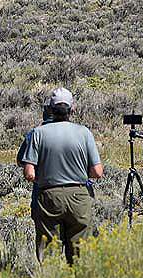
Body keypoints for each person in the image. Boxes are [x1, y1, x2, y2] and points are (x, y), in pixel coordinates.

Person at [20, 87, 103, 264]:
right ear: (72, 110)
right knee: (80, 250)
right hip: (79, 195)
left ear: (50, 109)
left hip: (49, 196)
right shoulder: (84, 133)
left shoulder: (38, 133)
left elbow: (29, 173)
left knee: (49, 250)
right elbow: (97, 172)